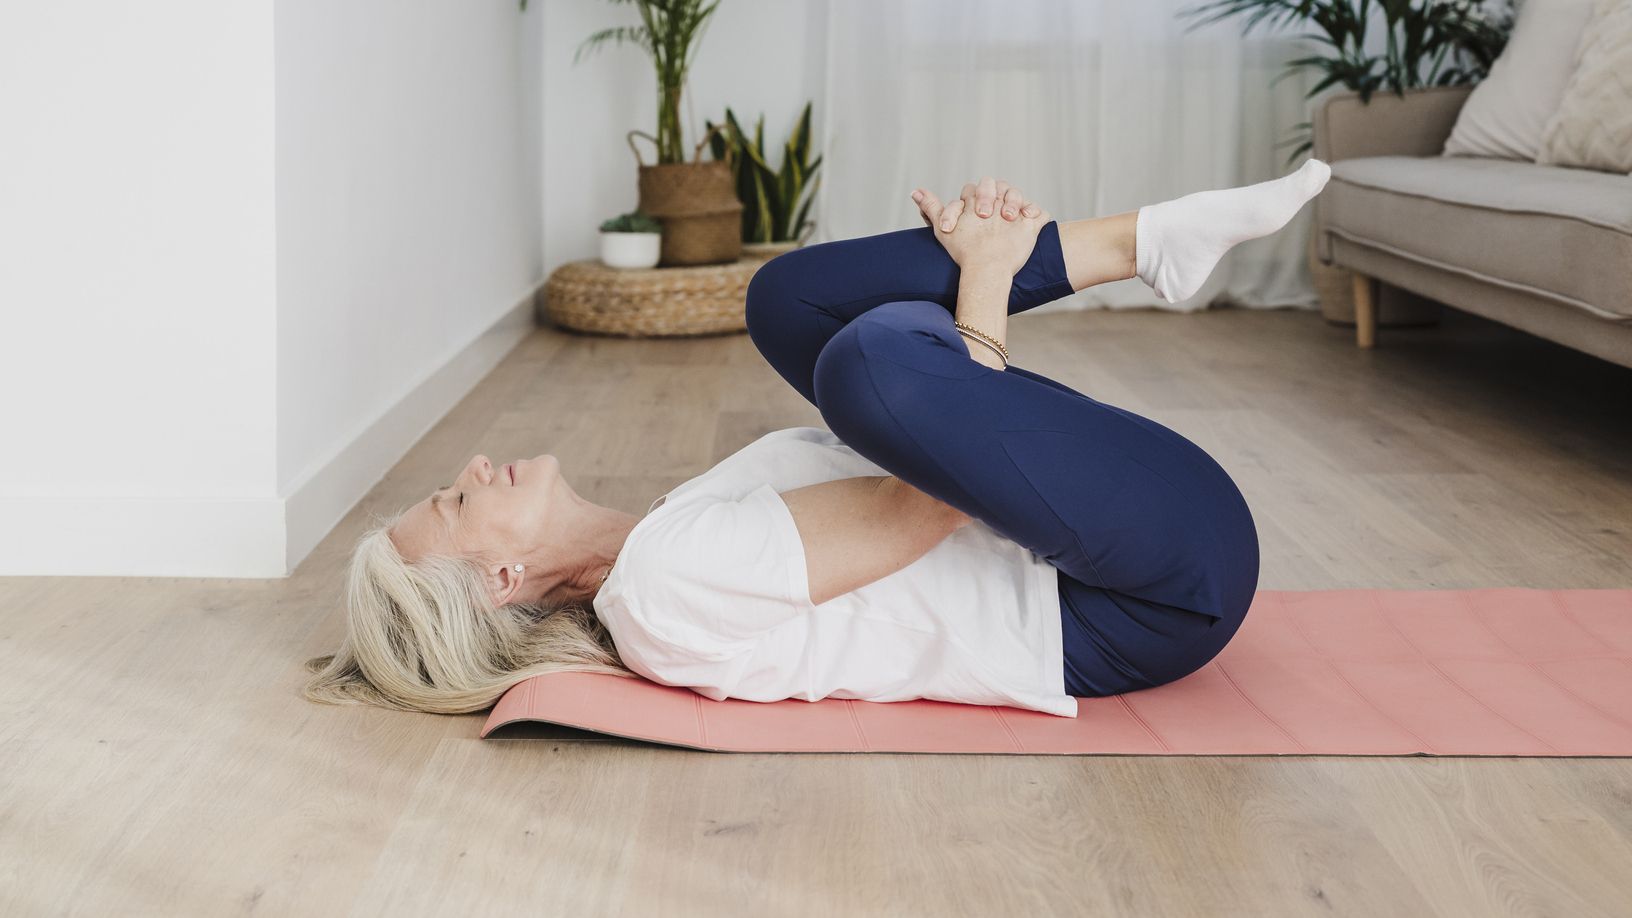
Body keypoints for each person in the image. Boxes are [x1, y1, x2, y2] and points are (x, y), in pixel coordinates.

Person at [305, 162, 1331, 717]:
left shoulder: (659, 545)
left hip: (1113, 542)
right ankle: (1093, 249)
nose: (473, 469)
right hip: (1150, 592)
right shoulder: (663, 585)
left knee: (787, 301)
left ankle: (1143, 241)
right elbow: (928, 500)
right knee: (869, 367)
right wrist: (982, 273)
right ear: (501, 580)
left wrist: (966, 288)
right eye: (457, 500)